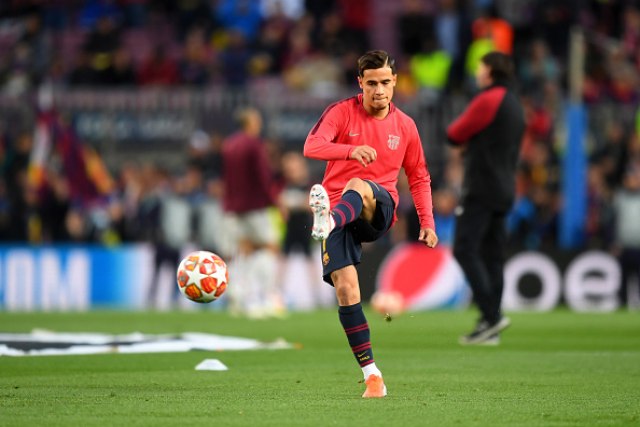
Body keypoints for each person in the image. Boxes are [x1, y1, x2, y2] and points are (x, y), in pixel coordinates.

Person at [303, 50, 438, 398]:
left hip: (378, 208)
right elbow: (312, 146)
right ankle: (372, 375)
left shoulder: (405, 126)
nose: (379, 90)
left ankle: (329, 219)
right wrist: (349, 150)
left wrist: (427, 221)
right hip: (339, 209)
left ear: (395, 83)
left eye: (385, 83)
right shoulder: (341, 112)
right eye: (372, 83)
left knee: (358, 185)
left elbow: (419, 176)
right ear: (360, 83)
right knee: (347, 290)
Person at [446, 51, 525, 345]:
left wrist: (468, 142)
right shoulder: (515, 102)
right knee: (493, 255)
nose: (477, 73)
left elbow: (454, 133)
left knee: (464, 249)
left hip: (481, 186)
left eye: (480, 68)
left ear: (490, 70)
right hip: (505, 187)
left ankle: (491, 315)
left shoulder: (490, 98)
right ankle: (490, 326)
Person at [221, 107, 284, 318]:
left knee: (243, 251)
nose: (259, 123)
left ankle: (238, 295)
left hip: (232, 207)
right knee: (269, 247)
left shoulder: (229, 144)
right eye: (257, 120)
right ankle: (264, 297)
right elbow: (263, 178)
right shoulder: (254, 144)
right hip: (255, 206)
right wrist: (275, 202)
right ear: (250, 123)